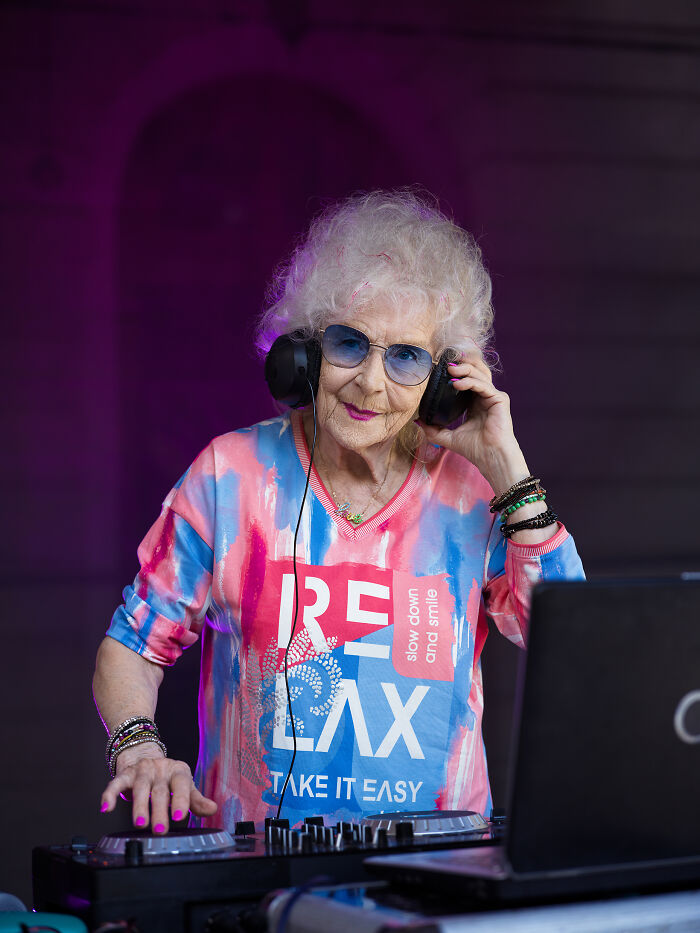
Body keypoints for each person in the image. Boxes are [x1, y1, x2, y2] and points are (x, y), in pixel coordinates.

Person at [95, 189, 584, 834]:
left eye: (406, 357)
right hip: (258, 880)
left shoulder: (476, 493)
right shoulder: (230, 476)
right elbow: (133, 642)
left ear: (442, 381)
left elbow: (566, 644)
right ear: (305, 353)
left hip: (439, 875)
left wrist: (507, 466)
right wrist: (139, 747)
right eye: (349, 344)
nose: (371, 384)